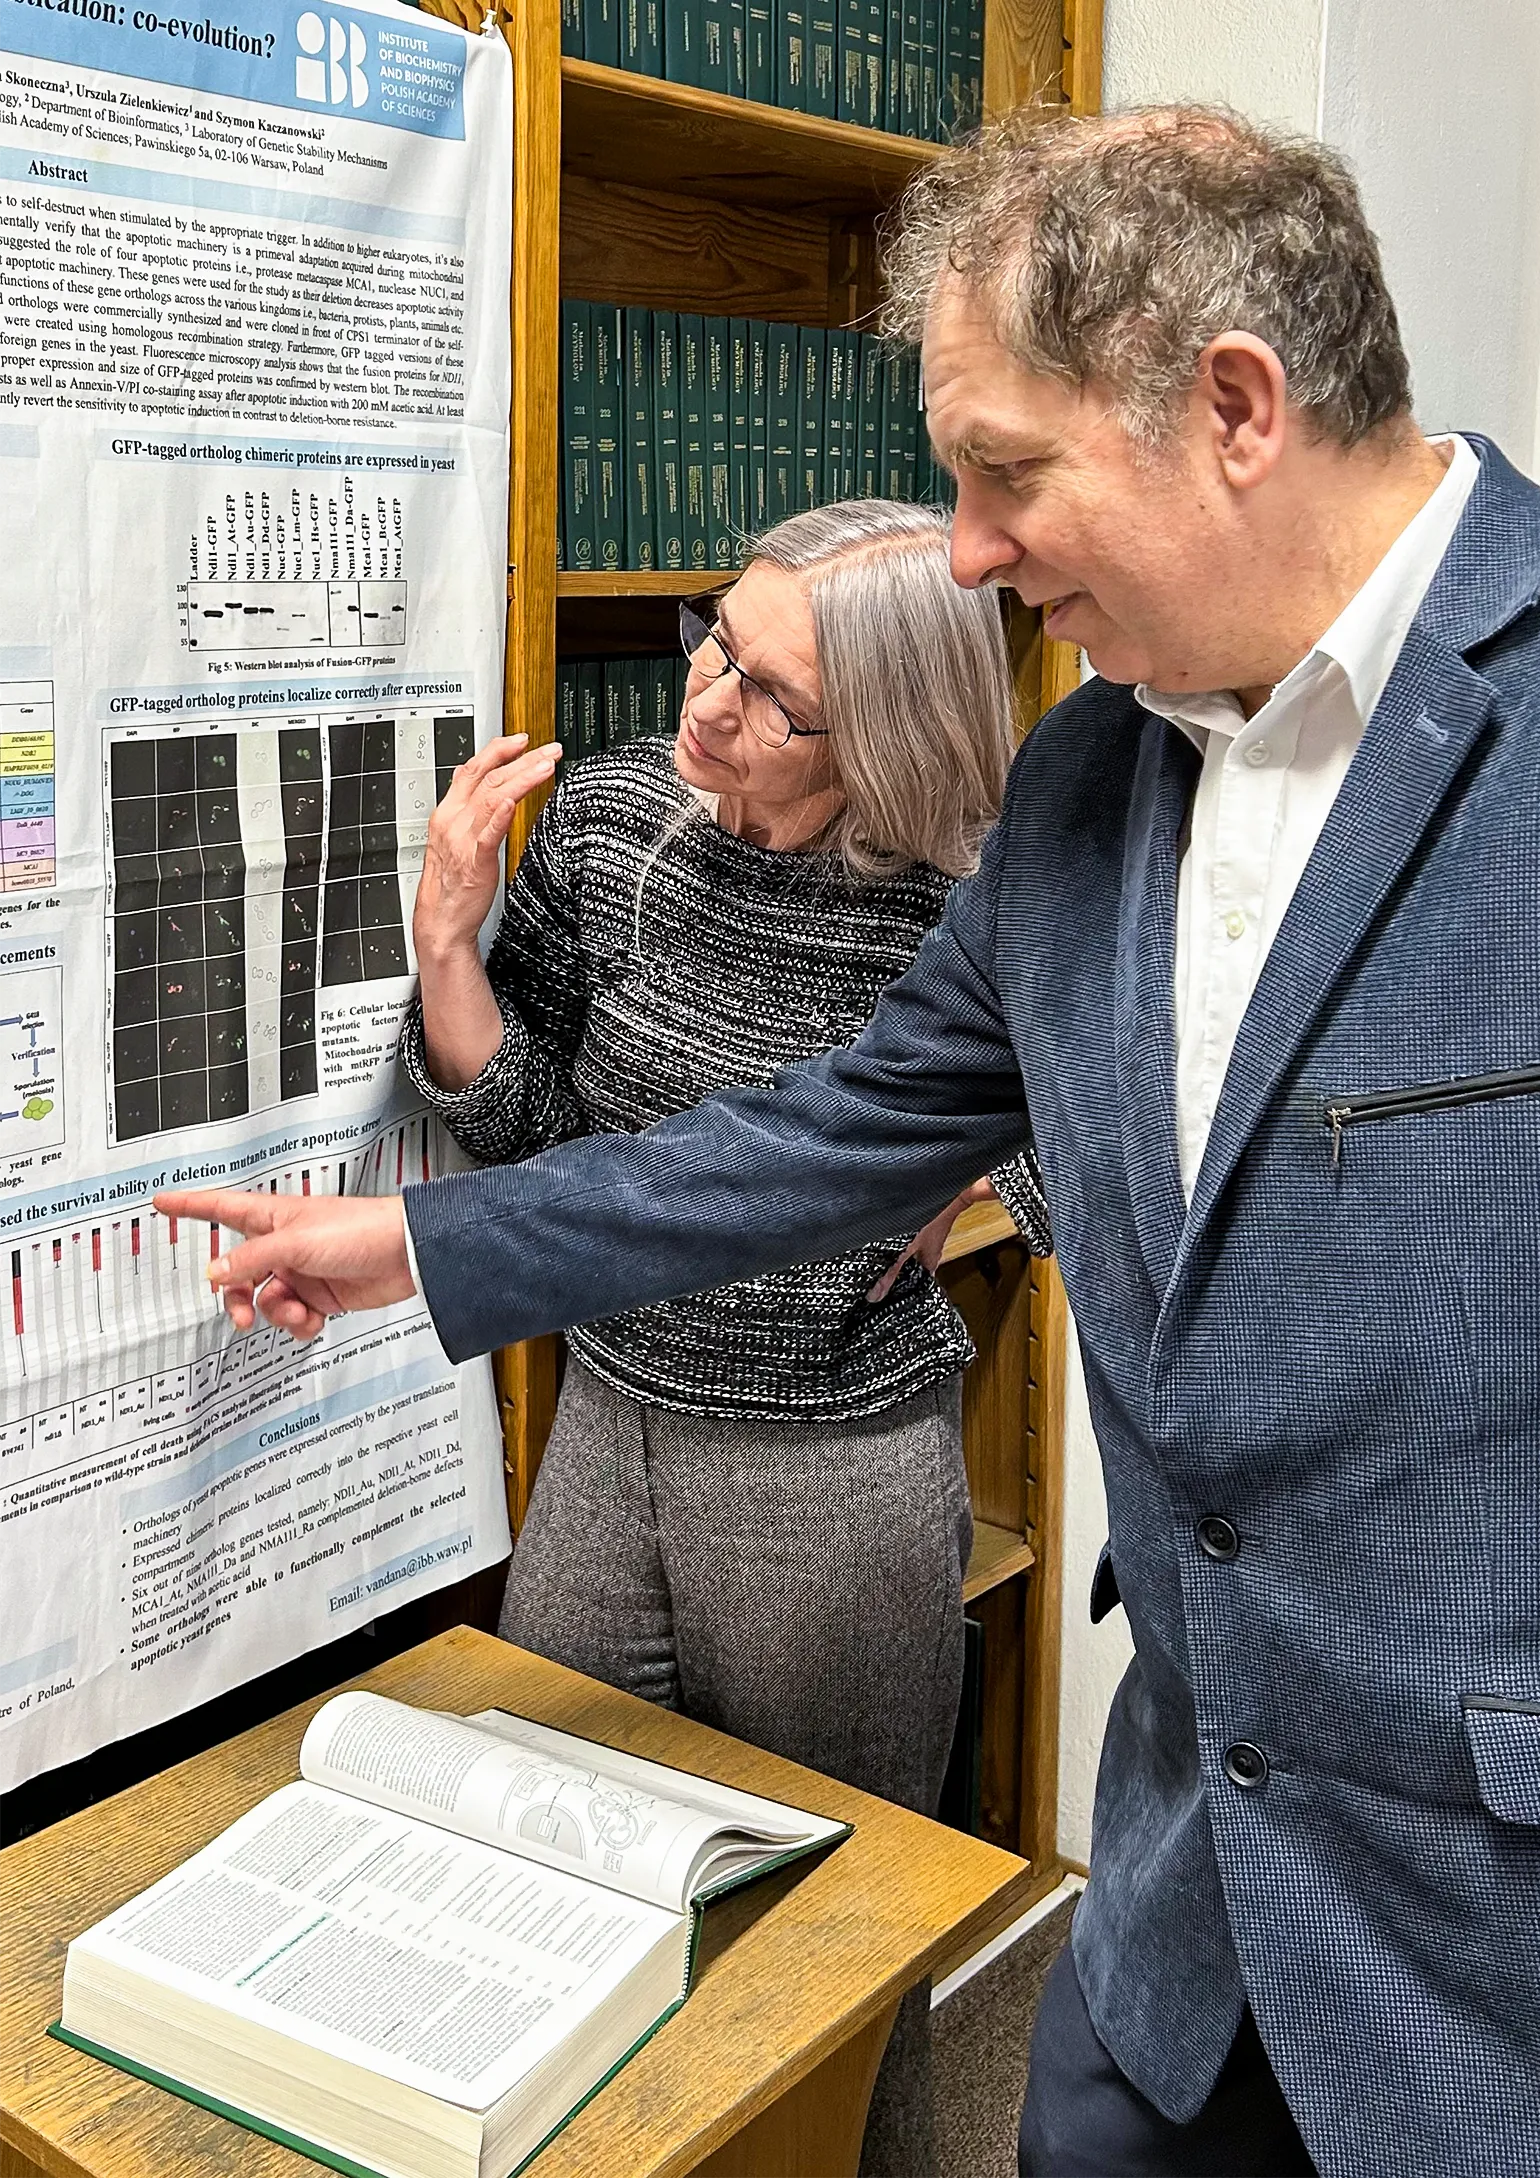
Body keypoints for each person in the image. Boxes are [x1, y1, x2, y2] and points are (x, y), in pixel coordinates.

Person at [158, 105, 1540, 2178]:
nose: (965, 554)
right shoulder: (1094, 778)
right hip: (1178, 1925)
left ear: (1232, 406)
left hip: (1516, 1972)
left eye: (1002, 472)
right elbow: (816, 1140)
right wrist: (411, 1248)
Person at [396, 497, 1047, 2177]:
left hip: (828, 1487)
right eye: (717, 640)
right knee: (558, 1895)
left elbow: (1093, 1179)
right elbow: (542, 1145)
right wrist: (449, 952)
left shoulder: (965, 912)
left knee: (835, 1941)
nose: (705, 700)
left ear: (887, 735)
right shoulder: (614, 824)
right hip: (606, 1437)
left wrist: (974, 1155)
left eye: (772, 696)